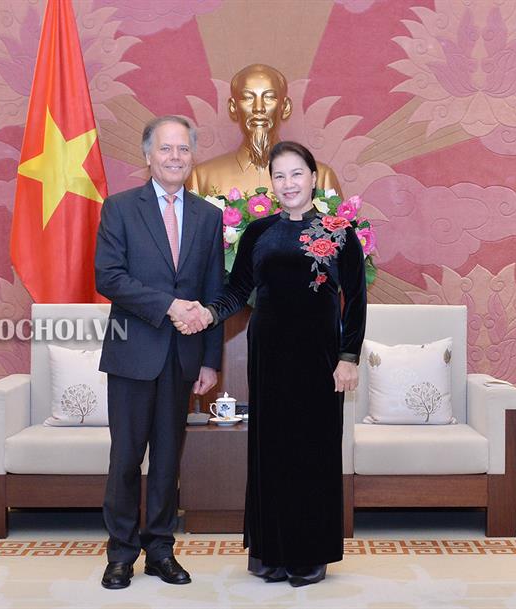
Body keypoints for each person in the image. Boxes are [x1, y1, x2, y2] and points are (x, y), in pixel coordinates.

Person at [176, 141, 366, 587]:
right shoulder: (258, 233)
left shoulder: (341, 232)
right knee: (271, 449)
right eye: (279, 176)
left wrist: (348, 357)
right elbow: (236, 290)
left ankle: (309, 552)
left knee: (314, 450)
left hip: (319, 359)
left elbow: (356, 299)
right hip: (269, 356)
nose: (288, 183)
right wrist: (208, 313)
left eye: (296, 174)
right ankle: (270, 550)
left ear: (313, 178)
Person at [95, 115, 224, 589]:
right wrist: (168, 305)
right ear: (147, 155)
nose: (175, 157)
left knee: (168, 461)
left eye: (183, 149)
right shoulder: (120, 208)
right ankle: (120, 554)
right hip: (133, 354)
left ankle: (161, 550)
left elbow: (214, 290)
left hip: (183, 357)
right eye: (165, 149)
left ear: (192, 157)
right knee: (126, 459)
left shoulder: (208, 216)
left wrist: (210, 359)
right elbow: (109, 277)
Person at [186, 64, 341, 196]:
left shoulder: (321, 178)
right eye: (248, 98)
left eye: (269, 97)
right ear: (233, 108)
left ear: (285, 107)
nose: (258, 108)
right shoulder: (202, 178)